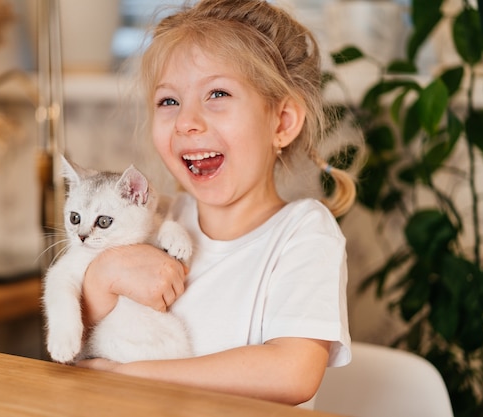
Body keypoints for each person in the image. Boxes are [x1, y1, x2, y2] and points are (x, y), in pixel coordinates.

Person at [77, 0, 358, 406]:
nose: (187, 121)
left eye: (218, 93)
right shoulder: (154, 222)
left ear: (281, 123)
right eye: (168, 101)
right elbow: (82, 351)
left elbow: (292, 372)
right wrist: (100, 277)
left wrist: (129, 375)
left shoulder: (304, 233)